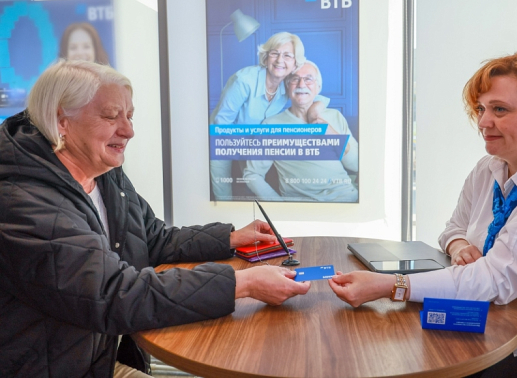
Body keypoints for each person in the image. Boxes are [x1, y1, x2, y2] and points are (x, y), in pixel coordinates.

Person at [0, 60, 311, 378]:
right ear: (61, 121)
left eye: (129, 116)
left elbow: (151, 238)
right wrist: (243, 283)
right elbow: (112, 294)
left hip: (99, 358)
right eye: (111, 116)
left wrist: (229, 237)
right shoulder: (21, 199)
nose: (128, 131)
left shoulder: (103, 172)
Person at [328, 50, 517, 377]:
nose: (483, 122)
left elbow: (496, 278)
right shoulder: (491, 167)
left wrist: (393, 285)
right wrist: (459, 246)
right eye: (481, 109)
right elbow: (453, 228)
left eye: (500, 109)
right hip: (491, 316)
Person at [209, 32, 329, 200]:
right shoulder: (244, 81)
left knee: (257, 188)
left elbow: (317, 96)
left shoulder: (287, 83)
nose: (280, 60)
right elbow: (220, 129)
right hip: (226, 142)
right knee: (225, 197)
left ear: (295, 63)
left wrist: (315, 112)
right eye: (274, 53)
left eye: (287, 55)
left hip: (256, 145)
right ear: (266, 57)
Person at [244, 60, 358, 202]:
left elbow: (356, 165)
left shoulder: (335, 116)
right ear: (287, 86)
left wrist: (334, 136)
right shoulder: (271, 126)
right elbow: (252, 174)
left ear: (318, 87)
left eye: (308, 79)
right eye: (295, 79)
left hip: (348, 199)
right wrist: (279, 206)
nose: (301, 84)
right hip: (305, 206)